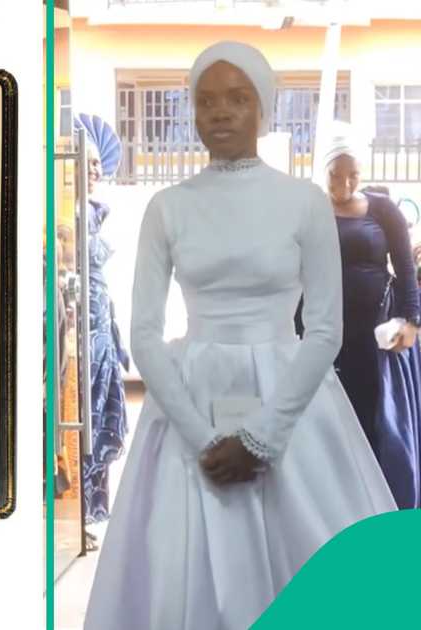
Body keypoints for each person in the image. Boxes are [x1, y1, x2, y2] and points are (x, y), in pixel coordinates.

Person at [84, 41, 396, 630]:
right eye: (205, 101)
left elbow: (324, 330)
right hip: (190, 398)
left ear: (264, 108)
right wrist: (202, 438)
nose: (220, 112)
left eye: (237, 98)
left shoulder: (304, 202)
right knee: (180, 570)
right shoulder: (168, 207)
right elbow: (145, 335)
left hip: (290, 394)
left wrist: (263, 436)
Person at [321, 131, 421, 509]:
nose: (345, 184)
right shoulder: (311, 211)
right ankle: (340, 506)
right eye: (336, 175)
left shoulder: (382, 210)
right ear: (324, 170)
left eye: (353, 175)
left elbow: (406, 271)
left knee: (380, 420)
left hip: (376, 335)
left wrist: (411, 321)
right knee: (334, 421)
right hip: (327, 333)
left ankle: (382, 506)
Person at [73, 114, 130, 551]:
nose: (94, 169)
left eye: (97, 163)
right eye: (86, 161)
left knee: (100, 419)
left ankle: (88, 517)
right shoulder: (63, 214)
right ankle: (72, 517)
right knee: (78, 421)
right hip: (74, 332)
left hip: (101, 332)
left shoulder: (94, 212)